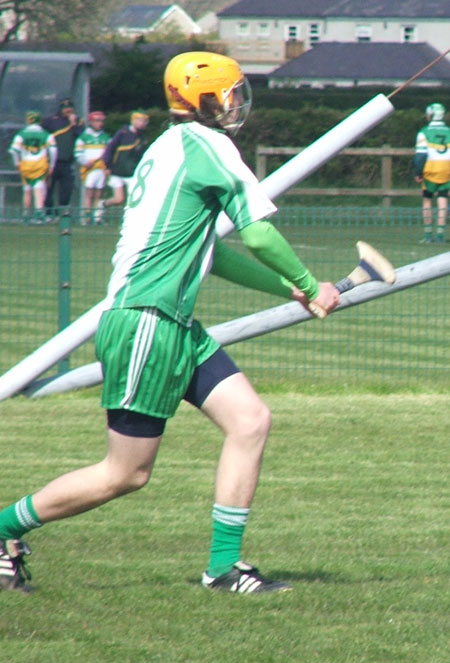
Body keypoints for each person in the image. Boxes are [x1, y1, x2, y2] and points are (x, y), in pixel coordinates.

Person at [0, 51, 340, 595]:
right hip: (146, 325)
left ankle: (224, 569)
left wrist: (294, 290)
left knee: (250, 421)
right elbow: (256, 234)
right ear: (204, 100)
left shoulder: (168, 147)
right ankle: (2, 530)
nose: (235, 106)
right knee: (125, 474)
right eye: (228, 95)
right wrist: (309, 278)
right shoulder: (210, 146)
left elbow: (217, 256)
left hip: (176, 325)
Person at [97, 110, 149, 220]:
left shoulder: (143, 137)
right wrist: (107, 165)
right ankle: (102, 205)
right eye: (140, 120)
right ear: (133, 120)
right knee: (119, 199)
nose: (142, 123)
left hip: (132, 173)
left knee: (134, 198)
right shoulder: (123, 133)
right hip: (117, 172)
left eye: (145, 121)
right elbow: (110, 149)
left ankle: (129, 219)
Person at [8, 110, 57, 224]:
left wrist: (17, 163)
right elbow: (53, 150)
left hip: (25, 164)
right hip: (40, 165)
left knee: (27, 190)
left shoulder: (22, 134)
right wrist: (52, 165)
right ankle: (39, 215)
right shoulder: (46, 134)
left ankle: (25, 215)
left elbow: (13, 150)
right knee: (39, 188)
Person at [414, 102, 450, 244]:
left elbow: (421, 155)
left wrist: (418, 172)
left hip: (430, 171)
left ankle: (428, 235)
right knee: (443, 201)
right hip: (447, 171)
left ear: (431, 115)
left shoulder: (424, 132)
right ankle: (440, 234)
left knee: (427, 200)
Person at [42, 98, 84, 219]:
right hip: (51, 162)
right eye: (65, 108)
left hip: (67, 162)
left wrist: (73, 124)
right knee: (48, 189)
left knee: (66, 190)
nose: (68, 111)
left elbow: (80, 135)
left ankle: (63, 214)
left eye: (70, 108)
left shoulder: (78, 121)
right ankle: (49, 214)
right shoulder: (51, 121)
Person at [74, 111, 110, 225]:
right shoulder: (83, 137)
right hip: (90, 168)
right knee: (89, 193)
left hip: (101, 169)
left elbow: (110, 152)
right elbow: (78, 153)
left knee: (98, 193)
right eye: (97, 121)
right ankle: (86, 217)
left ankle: (97, 217)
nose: (100, 123)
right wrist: (85, 162)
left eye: (102, 121)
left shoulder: (105, 137)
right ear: (91, 122)